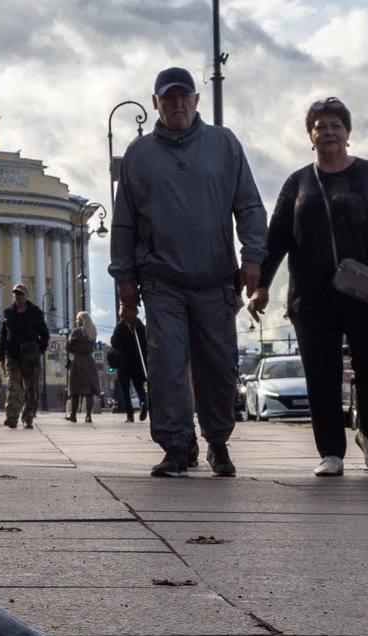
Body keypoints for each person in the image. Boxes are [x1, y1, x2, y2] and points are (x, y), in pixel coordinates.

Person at [109, 65, 268, 478]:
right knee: (166, 366)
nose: (177, 104)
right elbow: (124, 224)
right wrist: (126, 284)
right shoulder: (138, 156)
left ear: (196, 100)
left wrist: (253, 257)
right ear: (155, 102)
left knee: (218, 366)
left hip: (215, 279)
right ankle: (177, 446)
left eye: (185, 96)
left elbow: (249, 206)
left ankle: (218, 441)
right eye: (169, 97)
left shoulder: (224, 144)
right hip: (161, 282)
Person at [251, 97, 368, 477]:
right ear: (311, 136)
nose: (328, 133)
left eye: (335, 126)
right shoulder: (298, 183)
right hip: (312, 296)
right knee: (320, 373)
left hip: (367, 293)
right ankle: (331, 453)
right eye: (320, 127)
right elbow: (277, 240)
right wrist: (262, 286)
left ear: (348, 134)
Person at [0, 283, 49, 429]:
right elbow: (3, 336)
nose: (18, 297)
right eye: (16, 294)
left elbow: (44, 335)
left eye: (20, 294)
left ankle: (28, 417)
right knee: (13, 386)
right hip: (12, 355)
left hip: (30, 356)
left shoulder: (35, 313)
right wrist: (1, 355)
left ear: (26, 295)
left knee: (30, 389)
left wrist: (39, 350)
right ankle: (11, 417)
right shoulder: (9, 313)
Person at [110, 315, 149, 422]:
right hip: (137, 361)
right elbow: (146, 341)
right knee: (139, 386)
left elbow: (114, 342)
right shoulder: (139, 324)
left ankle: (130, 415)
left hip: (124, 362)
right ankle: (143, 402)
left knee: (125, 389)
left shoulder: (121, 325)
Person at [65, 311, 99, 423]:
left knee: (75, 391)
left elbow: (68, 347)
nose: (76, 321)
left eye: (77, 319)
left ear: (81, 320)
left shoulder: (77, 332)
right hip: (89, 362)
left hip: (78, 361)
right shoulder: (93, 332)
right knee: (89, 392)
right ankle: (88, 416)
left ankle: (73, 415)